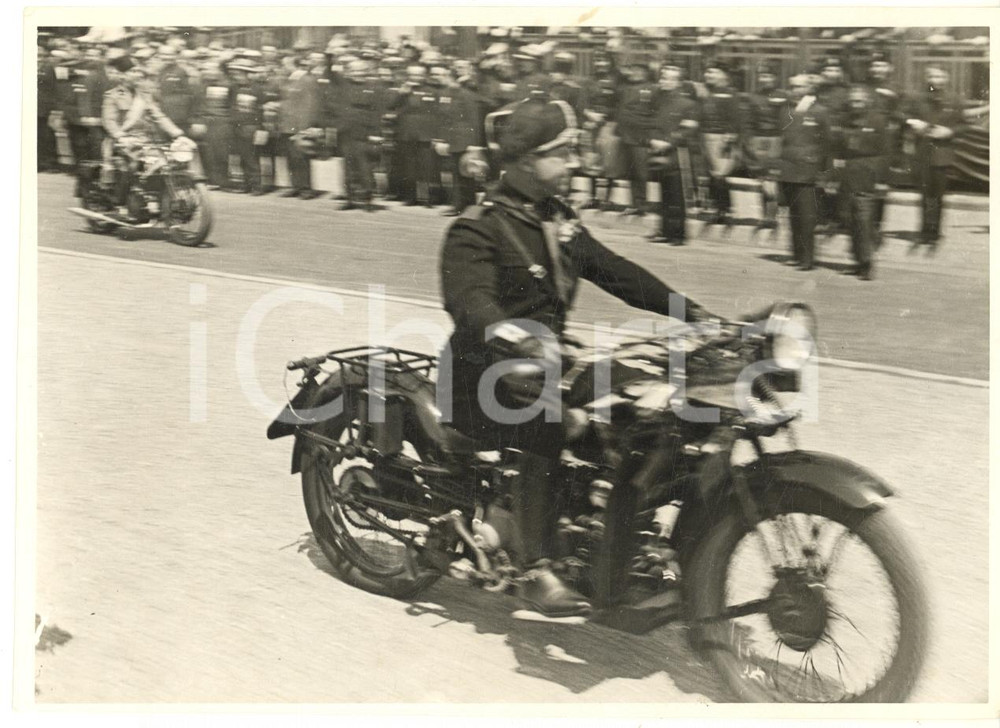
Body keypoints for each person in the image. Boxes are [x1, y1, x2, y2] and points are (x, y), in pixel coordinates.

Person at [439, 98, 715, 617]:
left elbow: (615, 271)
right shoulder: (477, 227)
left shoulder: (555, 219)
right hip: (482, 375)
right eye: (562, 153)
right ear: (525, 160)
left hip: (545, 365)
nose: (573, 162)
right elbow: (469, 302)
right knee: (548, 422)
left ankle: (623, 541)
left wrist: (692, 312)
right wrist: (511, 335)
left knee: (646, 404)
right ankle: (536, 568)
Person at [101, 55, 190, 216]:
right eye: (132, 71)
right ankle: (118, 204)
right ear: (122, 75)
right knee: (132, 165)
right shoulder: (113, 95)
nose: (137, 74)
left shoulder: (144, 95)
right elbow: (109, 121)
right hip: (120, 142)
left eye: (138, 71)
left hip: (146, 141)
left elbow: (159, 116)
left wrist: (177, 134)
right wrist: (121, 136)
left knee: (167, 163)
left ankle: (154, 199)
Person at [905, 65, 966, 251]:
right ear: (926, 78)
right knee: (924, 196)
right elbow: (904, 115)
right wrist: (913, 122)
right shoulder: (918, 98)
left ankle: (935, 233)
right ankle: (924, 231)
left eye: (939, 76)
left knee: (938, 196)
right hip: (922, 153)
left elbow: (963, 126)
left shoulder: (955, 99)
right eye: (931, 76)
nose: (935, 80)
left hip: (942, 154)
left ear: (946, 78)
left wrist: (950, 132)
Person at [776, 74, 833, 271]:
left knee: (807, 217)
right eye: (792, 86)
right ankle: (796, 254)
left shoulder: (820, 112)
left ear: (810, 88)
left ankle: (808, 259)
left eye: (799, 86)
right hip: (788, 170)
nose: (795, 90)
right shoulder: (785, 110)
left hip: (808, 172)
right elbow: (782, 139)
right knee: (793, 216)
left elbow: (827, 144)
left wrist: (824, 174)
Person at [838, 85, 887, 281]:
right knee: (850, 220)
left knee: (864, 220)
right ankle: (858, 261)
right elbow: (839, 149)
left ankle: (867, 264)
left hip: (868, 175)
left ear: (867, 101)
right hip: (849, 174)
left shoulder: (877, 121)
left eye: (859, 100)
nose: (855, 104)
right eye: (852, 100)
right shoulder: (846, 120)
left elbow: (885, 152)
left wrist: (882, 180)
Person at [647, 63, 699, 244]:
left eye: (669, 78)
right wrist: (652, 139)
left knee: (677, 194)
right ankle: (665, 231)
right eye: (663, 77)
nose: (664, 81)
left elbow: (688, 129)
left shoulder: (687, 104)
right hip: (658, 151)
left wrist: (668, 142)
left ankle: (678, 234)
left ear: (678, 82)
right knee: (663, 193)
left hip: (677, 153)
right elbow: (650, 123)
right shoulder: (656, 101)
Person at [743, 63, 788, 232]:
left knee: (773, 177)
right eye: (762, 76)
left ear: (775, 78)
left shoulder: (783, 96)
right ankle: (765, 215)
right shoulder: (753, 97)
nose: (765, 79)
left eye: (769, 76)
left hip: (776, 138)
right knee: (762, 177)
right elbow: (748, 121)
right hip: (759, 139)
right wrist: (749, 142)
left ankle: (773, 215)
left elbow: (787, 119)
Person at [698, 60, 742, 226]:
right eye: (707, 72)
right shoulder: (706, 92)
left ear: (724, 75)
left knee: (719, 175)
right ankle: (717, 208)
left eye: (713, 72)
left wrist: (730, 137)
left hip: (721, 138)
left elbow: (735, 117)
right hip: (706, 136)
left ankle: (726, 210)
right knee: (712, 174)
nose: (708, 75)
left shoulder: (729, 93)